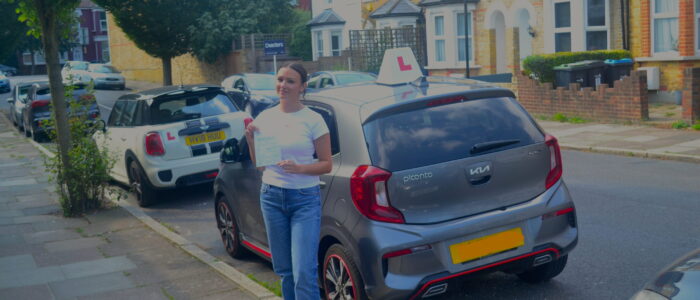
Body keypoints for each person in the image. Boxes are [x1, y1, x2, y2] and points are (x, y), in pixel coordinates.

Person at [245, 63, 332, 300]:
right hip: (271, 196)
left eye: (290, 81)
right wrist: (251, 140)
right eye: (280, 79)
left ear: (302, 87)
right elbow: (261, 165)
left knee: (304, 271)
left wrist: (300, 168)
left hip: (304, 199)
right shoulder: (265, 117)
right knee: (285, 271)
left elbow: (327, 164)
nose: (283, 85)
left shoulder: (313, 120)